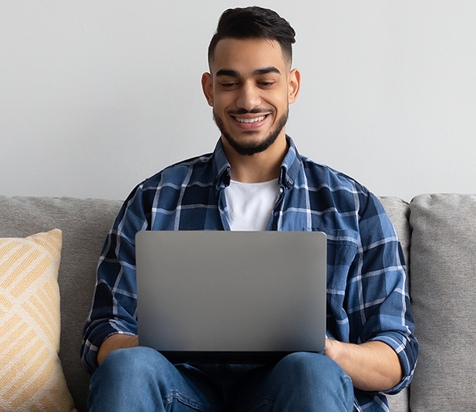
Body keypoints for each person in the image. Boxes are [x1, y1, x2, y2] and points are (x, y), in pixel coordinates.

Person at [81, 6, 418, 411]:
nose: (247, 99)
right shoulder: (155, 199)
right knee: (127, 367)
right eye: (230, 83)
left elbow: (397, 355)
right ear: (209, 90)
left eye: (265, 81)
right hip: (181, 394)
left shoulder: (353, 206)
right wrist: (158, 343)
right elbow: (102, 334)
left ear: (291, 86)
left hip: (297, 394)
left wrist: (327, 350)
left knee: (312, 370)